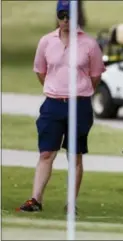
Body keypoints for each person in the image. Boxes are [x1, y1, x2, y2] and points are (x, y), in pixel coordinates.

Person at [17, 0, 106, 213]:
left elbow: (95, 76)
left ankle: (70, 204)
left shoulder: (90, 44)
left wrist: (77, 92)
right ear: (58, 16)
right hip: (52, 104)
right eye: (62, 15)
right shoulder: (46, 41)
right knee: (46, 153)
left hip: (80, 105)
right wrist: (56, 89)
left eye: (70, 15)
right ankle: (35, 200)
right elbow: (41, 71)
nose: (66, 20)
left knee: (74, 155)